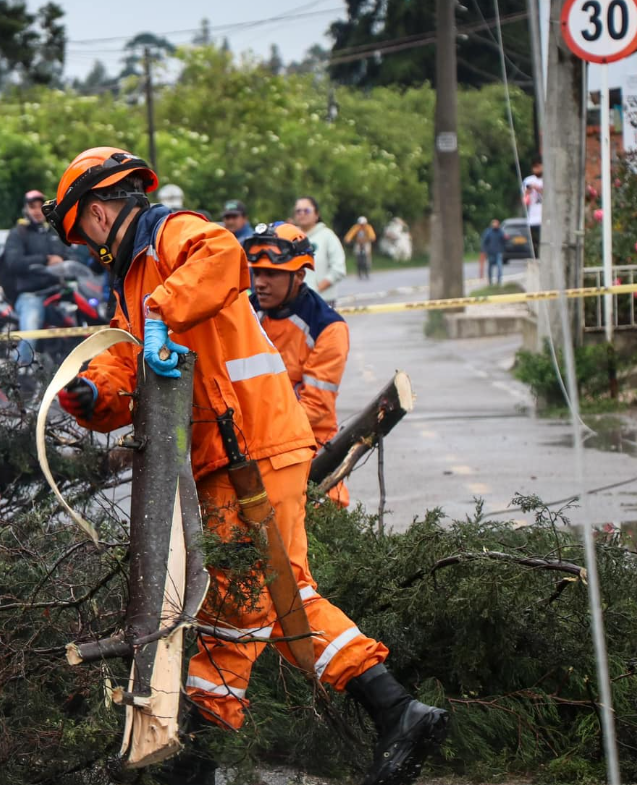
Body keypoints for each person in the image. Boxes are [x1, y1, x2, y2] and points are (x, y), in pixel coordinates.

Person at [45, 147, 448, 785]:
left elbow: (224, 256)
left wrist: (159, 313)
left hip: (250, 447)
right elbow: (131, 365)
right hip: (226, 457)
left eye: (80, 234)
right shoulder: (133, 279)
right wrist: (92, 393)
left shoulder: (170, 236)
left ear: (95, 213)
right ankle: (212, 758)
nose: (86, 247)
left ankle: (392, 711)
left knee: (275, 600)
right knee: (240, 610)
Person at [245, 223, 350, 508]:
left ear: (299, 275)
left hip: (309, 456)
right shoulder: (245, 314)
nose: (261, 282)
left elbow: (314, 409)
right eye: (257, 273)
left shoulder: (327, 328)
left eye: (272, 274)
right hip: (250, 452)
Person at [1, 188, 69, 367]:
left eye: (40, 206)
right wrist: (45, 260)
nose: (37, 210)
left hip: (57, 292)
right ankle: (19, 372)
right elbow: (13, 262)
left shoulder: (52, 233)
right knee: (31, 331)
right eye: (33, 207)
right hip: (31, 295)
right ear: (26, 209)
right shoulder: (18, 234)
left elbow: (69, 254)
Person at [293, 196, 346, 307]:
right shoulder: (291, 237)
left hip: (323, 300)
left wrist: (316, 289)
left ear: (316, 214)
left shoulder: (327, 236)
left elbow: (338, 269)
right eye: (298, 211)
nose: (302, 214)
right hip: (296, 302)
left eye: (306, 210)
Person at [344, 215, 376, 280]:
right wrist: (348, 239)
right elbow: (351, 233)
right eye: (360, 224)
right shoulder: (356, 227)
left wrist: (371, 238)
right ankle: (358, 268)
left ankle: (368, 267)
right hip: (358, 243)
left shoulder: (368, 227)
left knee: (367, 254)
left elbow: (372, 235)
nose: (362, 226)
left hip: (366, 242)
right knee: (357, 253)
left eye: (363, 224)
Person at [523, 158, 543, 257]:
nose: (537, 169)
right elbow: (524, 200)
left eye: (539, 167)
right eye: (535, 167)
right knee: (535, 243)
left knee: (544, 242)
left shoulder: (547, 180)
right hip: (533, 218)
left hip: (545, 218)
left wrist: (538, 189)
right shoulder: (528, 180)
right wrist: (527, 192)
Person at [481, 218, 507, 286]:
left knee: (499, 267)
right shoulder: (488, 232)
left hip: (498, 252)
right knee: (490, 267)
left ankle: (499, 282)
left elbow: (504, 241)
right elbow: (484, 242)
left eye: (496, 224)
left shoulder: (500, 232)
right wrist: (485, 251)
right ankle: (490, 282)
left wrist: (505, 240)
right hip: (491, 253)